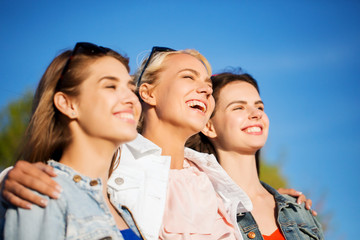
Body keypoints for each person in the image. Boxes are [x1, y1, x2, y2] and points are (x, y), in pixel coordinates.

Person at [0, 47, 314, 240]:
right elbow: (73, 182)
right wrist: (6, 180)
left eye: (207, 85)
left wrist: (272, 199)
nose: (204, 90)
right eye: (190, 78)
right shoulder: (121, 158)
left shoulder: (213, 178)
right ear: (148, 93)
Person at [0, 42, 143, 240]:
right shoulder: (43, 193)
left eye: (131, 88)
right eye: (110, 86)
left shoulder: (124, 210)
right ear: (67, 104)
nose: (131, 98)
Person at [187, 70, 324, 239]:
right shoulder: (198, 205)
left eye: (259, 107)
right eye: (238, 107)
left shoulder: (299, 210)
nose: (256, 113)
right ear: (209, 126)